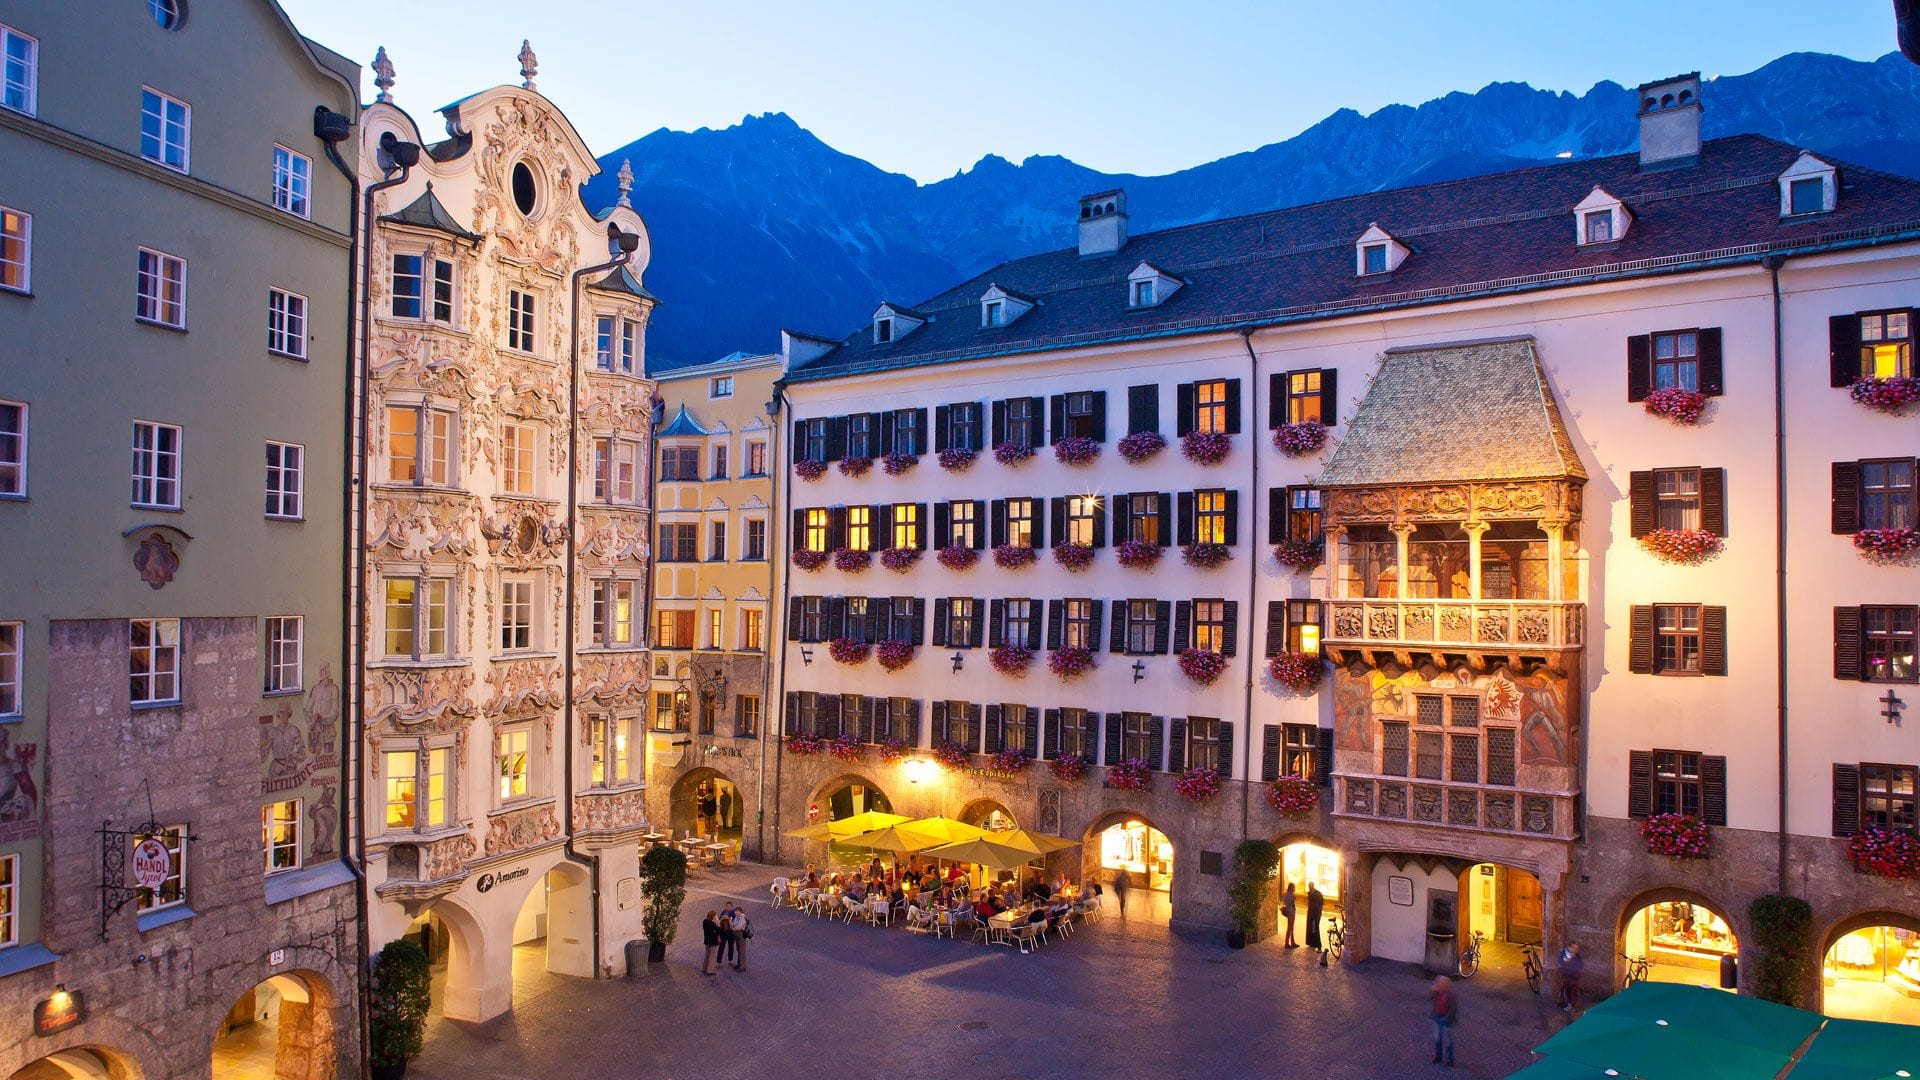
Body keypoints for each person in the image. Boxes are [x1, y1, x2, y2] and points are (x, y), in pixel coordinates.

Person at [1428, 975, 1459, 1067]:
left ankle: (1450, 1059)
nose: (1439, 986)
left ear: (1446, 985)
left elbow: (1453, 1009)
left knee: (1447, 1039)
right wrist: (1432, 990)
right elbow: (1429, 998)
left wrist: (1447, 1018)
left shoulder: (1451, 996)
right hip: (1437, 1017)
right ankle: (1438, 1056)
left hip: (1445, 1018)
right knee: (1438, 1038)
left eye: (1440, 984)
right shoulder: (1437, 993)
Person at [1558, 943, 1584, 1013]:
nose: (1575, 950)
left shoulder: (1577, 956)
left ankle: (1572, 1005)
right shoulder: (1564, 953)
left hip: (1574, 976)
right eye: (1574, 948)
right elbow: (1560, 961)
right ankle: (1569, 1004)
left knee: (1574, 990)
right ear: (1569, 947)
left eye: (1576, 948)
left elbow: (1580, 965)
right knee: (1568, 990)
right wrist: (1565, 961)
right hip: (1566, 976)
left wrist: (1571, 962)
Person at [730, 906, 752, 971]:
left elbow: (739, 927)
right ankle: (739, 964)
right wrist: (732, 924)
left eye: (737, 911)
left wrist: (733, 928)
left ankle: (743, 967)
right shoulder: (736, 917)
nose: (735, 912)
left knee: (742, 950)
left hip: (741, 934)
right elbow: (733, 924)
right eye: (735, 911)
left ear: (741, 911)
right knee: (738, 949)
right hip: (737, 934)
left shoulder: (742, 917)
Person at [716, 902, 738, 967]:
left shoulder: (734, 913)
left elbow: (734, 924)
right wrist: (722, 918)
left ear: (731, 907)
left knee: (731, 947)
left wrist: (728, 919)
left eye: (729, 906)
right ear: (725, 906)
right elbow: (718, 923)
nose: (728, 908)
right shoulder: (723, 912)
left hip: (730, 932)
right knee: (721, 947)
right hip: (723, 932)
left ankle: (730, 960)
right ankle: (718, 962)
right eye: (727, 906)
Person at [1306, 883, 1324, 952]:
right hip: (1311, 914)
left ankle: (1318, 945)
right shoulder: (1310, 893)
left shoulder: (1318, 894)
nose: (1309, 887)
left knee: (1315, 928)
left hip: (1315, 915)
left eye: (1310, 886)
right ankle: (1312, 943)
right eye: (1309, 886)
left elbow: (1320, 904)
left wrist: (1317, 910)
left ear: (1313, 886)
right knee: (1312, 928)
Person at [1280, 882, 1299, 948]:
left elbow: (1284, 901)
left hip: (1288, 910)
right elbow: (1293, 903)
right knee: (1290, 928)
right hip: (1291, 911)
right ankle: (1287, 943)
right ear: (1292, 887)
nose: (1294, 888)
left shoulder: (1285, 894)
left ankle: (1292, 942)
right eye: (1293, 887)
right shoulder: (1292, 895)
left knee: (1290, 928)